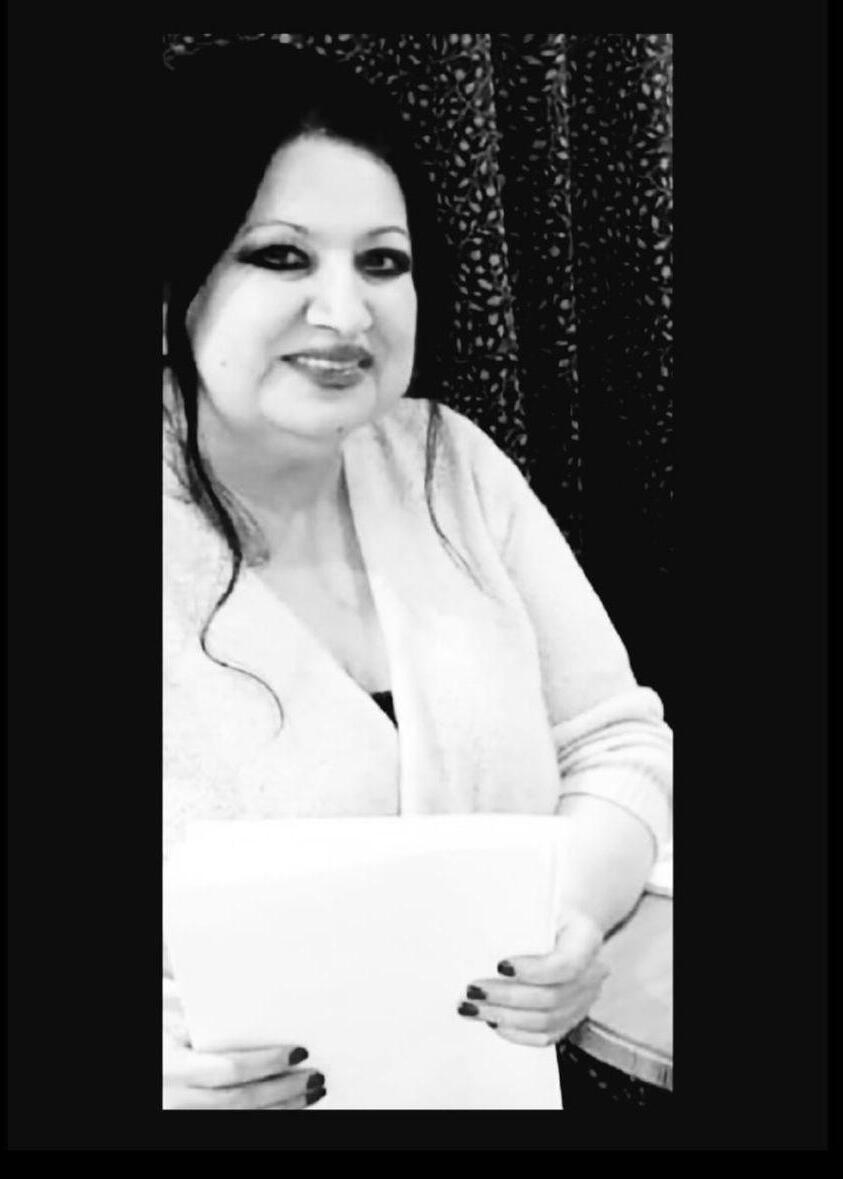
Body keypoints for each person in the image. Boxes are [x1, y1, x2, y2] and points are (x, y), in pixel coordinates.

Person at [162, 41, 672, 1111]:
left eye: (382, 263)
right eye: (281, 256)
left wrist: (568, 917)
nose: (348, 313)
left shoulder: (449, 465)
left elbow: (615, 742)